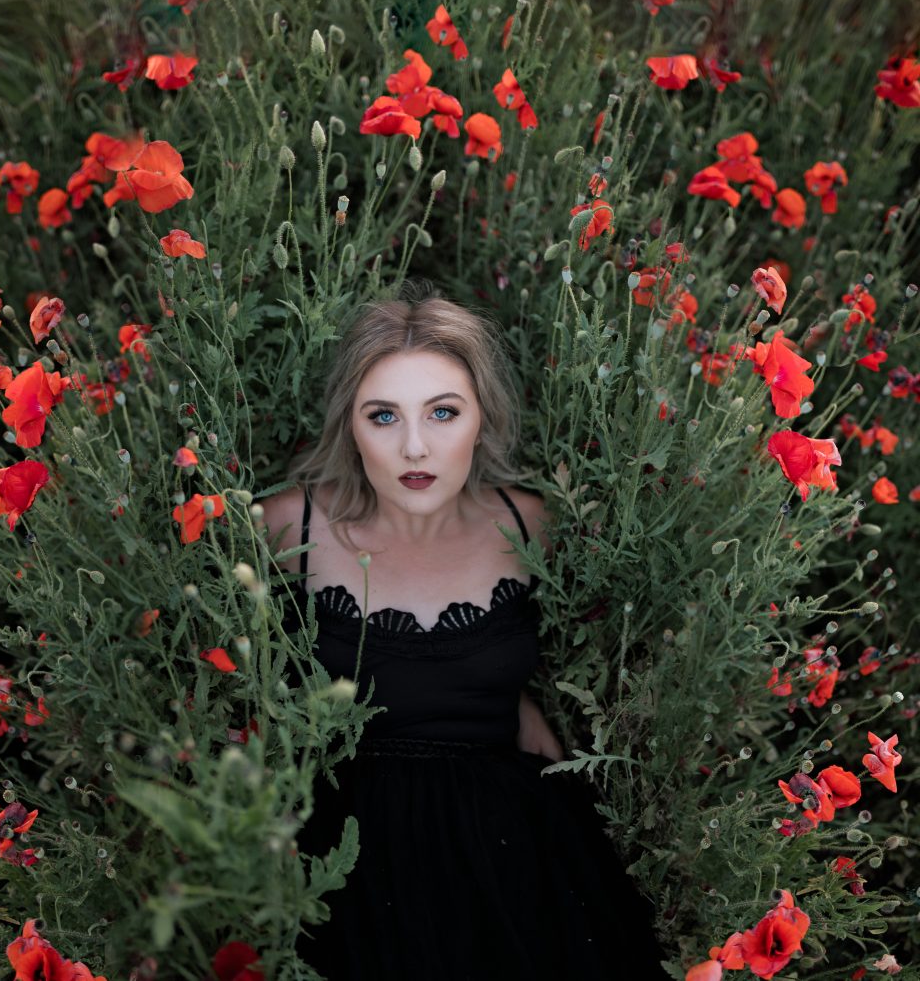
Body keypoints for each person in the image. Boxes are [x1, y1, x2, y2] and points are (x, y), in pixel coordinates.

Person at [261, 293, 667, 980]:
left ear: (484, 418)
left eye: (443, 412)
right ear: (350, 425)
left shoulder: (533, 522)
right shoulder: (285, 528)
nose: (414, 447)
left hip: (508, 848)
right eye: (383, 415)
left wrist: (515, 696)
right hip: (343, 853)